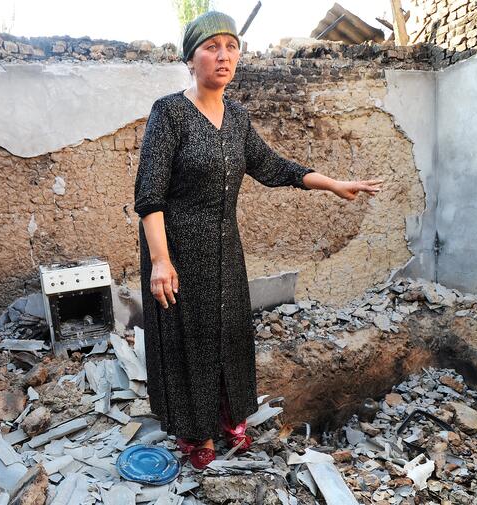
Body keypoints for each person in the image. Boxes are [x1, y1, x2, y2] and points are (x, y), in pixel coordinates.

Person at [133, 11, 382, 469]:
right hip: (177, 251)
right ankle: (197, 434)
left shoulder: (238, 118)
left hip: (225, 250)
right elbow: (149, 195)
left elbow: (273, 167)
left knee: (230, 335)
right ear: (190, 59)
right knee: (190, 341)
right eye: (211, 47)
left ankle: (229, 418)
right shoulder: (169, 113)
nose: (223, 56)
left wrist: (332, 184)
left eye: (231, 46)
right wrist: (161, 261)